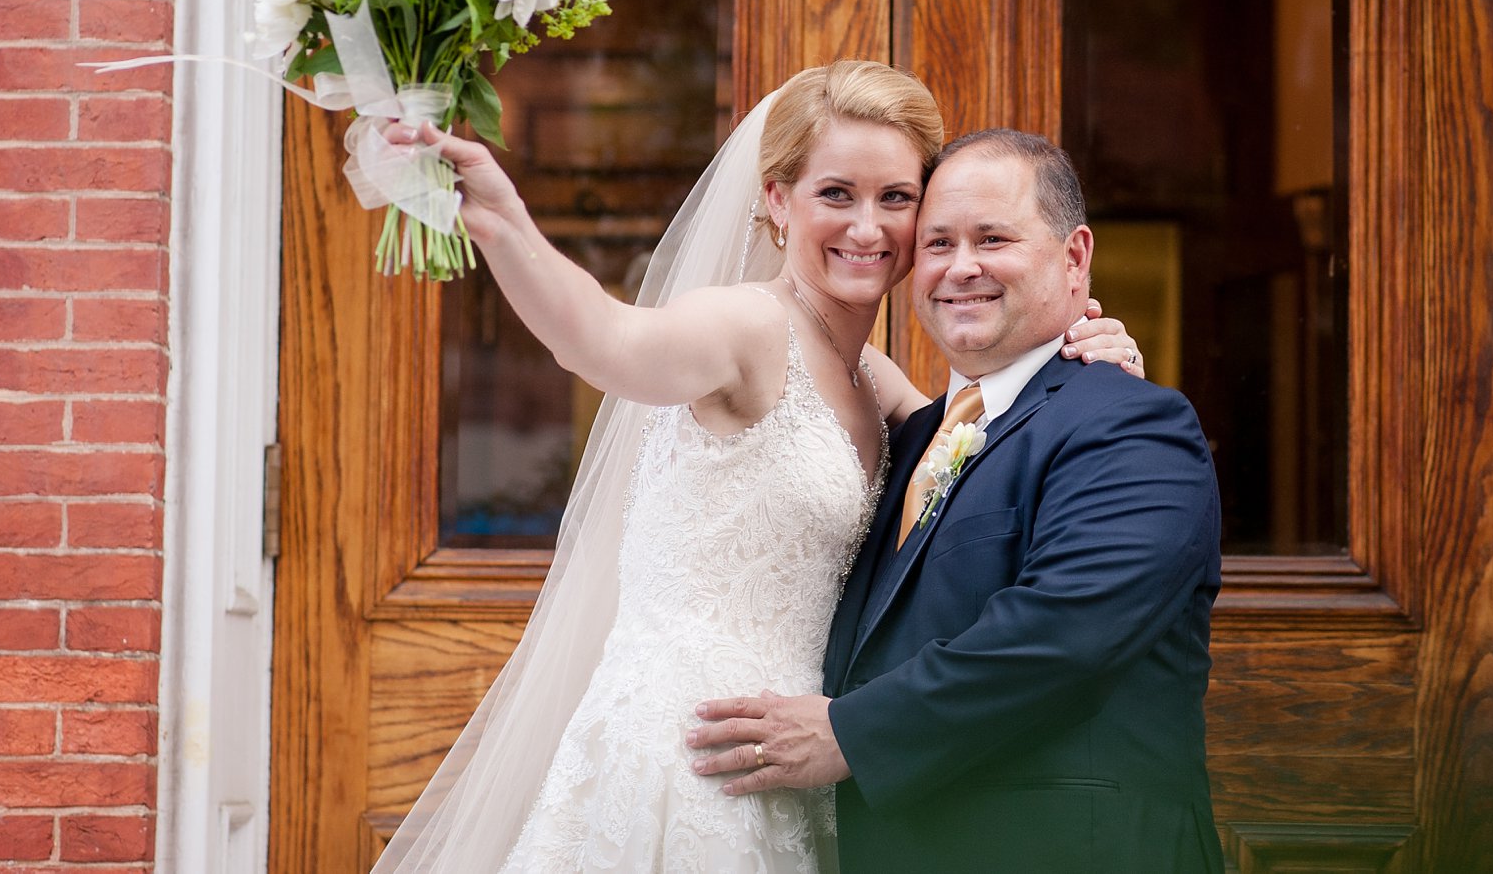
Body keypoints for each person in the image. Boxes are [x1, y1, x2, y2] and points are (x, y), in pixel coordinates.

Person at [370, 62, 1143, 874]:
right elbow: (605, 341)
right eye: (835, 194)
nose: (869, 227)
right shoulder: (744, 325)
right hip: (692, 754)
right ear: (778, 200)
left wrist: (1083, 349)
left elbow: (998, 446)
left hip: (798, 756)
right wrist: (505, 223)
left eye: (896, 198)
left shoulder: (874, 381)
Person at [689, 129, 1225, 874]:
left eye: (993, 238)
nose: (960, 267)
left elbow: (1061, 633)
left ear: (1075, 257)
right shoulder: (910, 440)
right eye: (937, 243)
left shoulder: (1132, 422)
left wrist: (850, 733)